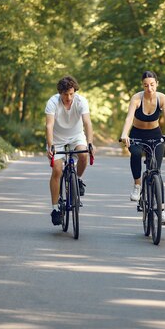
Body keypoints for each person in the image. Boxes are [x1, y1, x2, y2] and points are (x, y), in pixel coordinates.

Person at [120, 70, 165, 225]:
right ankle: (137, 185)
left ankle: (161, 210)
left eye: (152, 85)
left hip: (155, 134)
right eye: (146, 85)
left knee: (156, 172)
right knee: (135, 153)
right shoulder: (136, 98)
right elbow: (129, 118)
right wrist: (124, 134)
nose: (149, 88)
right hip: (137, 134)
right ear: (143, 85)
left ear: (157, 84)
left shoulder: (162, 98)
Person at [46, 75, 95, 226]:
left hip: (76, 136)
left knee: (83, 155)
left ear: (75, 92)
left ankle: (78, 180)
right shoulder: (53, 102)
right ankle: (55, 209)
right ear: (60, 93)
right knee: (57, 170)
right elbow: (49, 125)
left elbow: (87, 123)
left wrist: (90, 143)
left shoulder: (81, 101)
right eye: (65, 94)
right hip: (57, 139)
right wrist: (50, 145)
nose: (69, 97)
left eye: (71, 93)